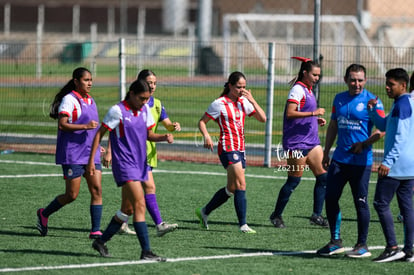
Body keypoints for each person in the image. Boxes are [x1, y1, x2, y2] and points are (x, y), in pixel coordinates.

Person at [88, 79, 173, 261]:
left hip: (140, 163)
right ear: (132, 94)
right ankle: (146, 252)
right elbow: (99, 134)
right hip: (125, 165)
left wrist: (163, 137)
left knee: (127, 209)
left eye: (147, 99)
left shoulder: (144, 110)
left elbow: (149, 134)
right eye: (141, 98)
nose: (144, 102)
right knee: (139, 204)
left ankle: (100, 242)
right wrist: (91, 161)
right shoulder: (117, 111)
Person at [316, 64, 385, 258]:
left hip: (361, 162)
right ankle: (335, 241)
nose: (357, 84)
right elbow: (333, 125)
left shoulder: (373, 102)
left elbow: (382, 130)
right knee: (330, 198)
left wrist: (364, 144)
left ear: (365, 80)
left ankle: (362, 245)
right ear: (346, 80)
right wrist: (326, 151)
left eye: (360, 80)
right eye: (353, 79)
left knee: (360, 202)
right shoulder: (339, 99)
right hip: (339, 160)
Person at [107, 69, 180, 237]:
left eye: (154, 83)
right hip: (133, 154)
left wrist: (172, 127)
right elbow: (114, 129)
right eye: (149, 83)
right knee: (149, 187)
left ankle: (121, 224)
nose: (152, 86)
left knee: (129, 198)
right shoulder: (128, 105)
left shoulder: (157, 104)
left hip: (149, 153)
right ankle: (159, 224)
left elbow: (166, 123)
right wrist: (110, 151)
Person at [195, 71, 266, 233]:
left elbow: (263, 119)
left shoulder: (244, 102)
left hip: (241, 148)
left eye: (244, 87)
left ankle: (204, 211)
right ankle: (243, 224)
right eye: (238, 87)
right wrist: (206, 136)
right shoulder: (219, 103)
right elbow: (202, 122)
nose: (242, 90)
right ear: (229, 85)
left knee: (232, 188)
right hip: (227, 147)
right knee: (241, 183)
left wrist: (252, 100)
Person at [36, 67, 103, 239]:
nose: (90, 83)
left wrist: (98, 145)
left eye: (91, 80)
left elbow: (93, 130)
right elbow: (62, 124)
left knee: (96, 190)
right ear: (76, 81)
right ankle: (44, 213)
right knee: (72, 195)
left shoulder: (91, 100)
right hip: (73, 153)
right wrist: (84, 127)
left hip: (90, 153)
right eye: (86, 80)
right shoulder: (69, 100)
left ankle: (95, 230)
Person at [269, 56, 328, 229]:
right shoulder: (297, 90)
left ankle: (316, 215)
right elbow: (290, 113)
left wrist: (315, 120)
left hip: (312, 142)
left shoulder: (309, 89)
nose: (317, 78)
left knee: (324, 177)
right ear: (305, 73)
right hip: (297, 144)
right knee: (293, 182)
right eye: (314, 75)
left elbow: (303, 114)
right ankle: (276, 215)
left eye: (319, 75)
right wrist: (313, 114)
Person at [367, 68, 414, 263]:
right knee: (407, 208)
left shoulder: (403, 104)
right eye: (387, 83)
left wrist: (387, 161)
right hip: (409, 166)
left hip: (396, 165)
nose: (387, 87)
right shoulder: (404, 103)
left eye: (391, 84)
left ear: (403, 85)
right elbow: (385, 125)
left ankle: (392, 247)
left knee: (380, 202)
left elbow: (401, 137)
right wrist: (373, 110)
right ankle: (409, 251)